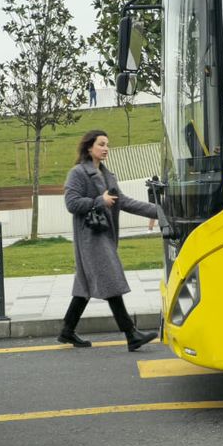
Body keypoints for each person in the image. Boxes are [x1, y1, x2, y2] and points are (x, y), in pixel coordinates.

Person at [61, 129, 159, 351]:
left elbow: (124, 202)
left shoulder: (108, 175)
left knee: (85, 285)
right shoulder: (77, 173)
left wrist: (158, 212)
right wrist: (99, 200)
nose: (106, 148)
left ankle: (67, 330)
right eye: (101, 144)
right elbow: (72, 203)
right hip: (91, 237)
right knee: (111, 279)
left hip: (105, 234)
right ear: (89, 148)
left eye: (107, 144)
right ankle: (131, 334)